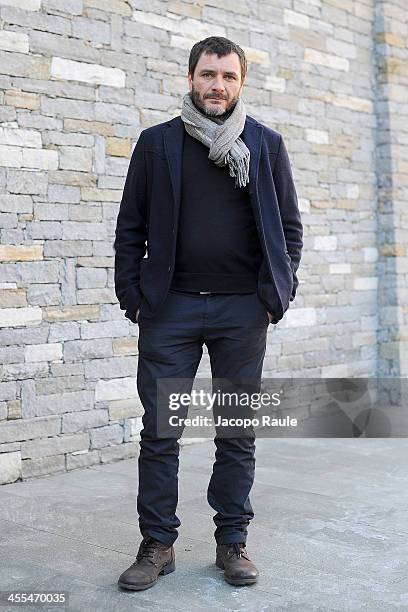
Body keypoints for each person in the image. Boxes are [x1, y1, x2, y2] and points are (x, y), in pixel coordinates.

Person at [114, 35, 303, 591]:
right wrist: (136, 298)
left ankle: (232, 542)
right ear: (191, 77)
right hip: (169, 310)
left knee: (237, 431)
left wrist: (276, 298)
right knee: (161, 431)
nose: (217, 86)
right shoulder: (157, 144)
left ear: (241, 83)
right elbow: (130, 230)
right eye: (207, 75)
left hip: (242, 311)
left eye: (227, 77)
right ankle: (158, 544)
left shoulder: (265, 145)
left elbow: (289, 231)